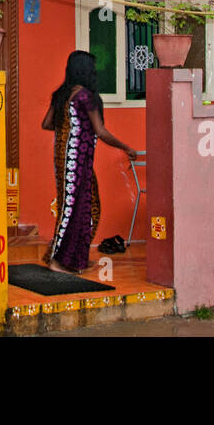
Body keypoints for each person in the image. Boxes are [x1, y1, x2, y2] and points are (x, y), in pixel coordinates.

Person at [41, 50, 138, 273]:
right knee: (78, 210)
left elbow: (46, 124)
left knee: (80, 207)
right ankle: (58, 262)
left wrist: (70, 128)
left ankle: (73, 260)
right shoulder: (85, 97)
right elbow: (100, 131)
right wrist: (126, 147)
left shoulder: (63, 95)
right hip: (78, 160)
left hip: (64, 159)